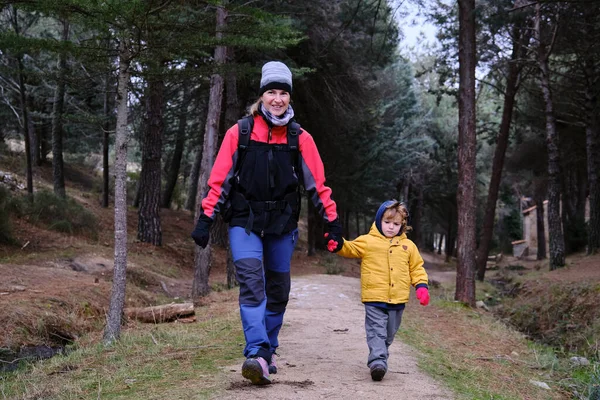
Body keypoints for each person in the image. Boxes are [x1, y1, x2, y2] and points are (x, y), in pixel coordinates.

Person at [191, 61, 343, 385]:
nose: (277, 98)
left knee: (278, 292)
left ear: (290, 97)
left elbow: (319, 185)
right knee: (251, 283)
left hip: (282, 224)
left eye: (283, 93)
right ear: (262, 96)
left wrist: (332, 222)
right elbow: (219, 181)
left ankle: (268, 350)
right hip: (244, 222)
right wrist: (206, 218)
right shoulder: (240, 132)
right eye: (271, 92)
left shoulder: (299, 138)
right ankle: (257, 352)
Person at [326, 200, 429, 381]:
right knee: (376, 331)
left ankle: (380, 355)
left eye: (396, 224)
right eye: (387, 222)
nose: (391, 227)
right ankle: (378, 362)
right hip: (374, 297)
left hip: (398, 300)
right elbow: (350, 248)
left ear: (402, 225)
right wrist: (338, 244)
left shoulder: (408, 247)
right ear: (379, 220)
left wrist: (421, 286)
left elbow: (417, 268)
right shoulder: (368, 241)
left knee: (389, 334)